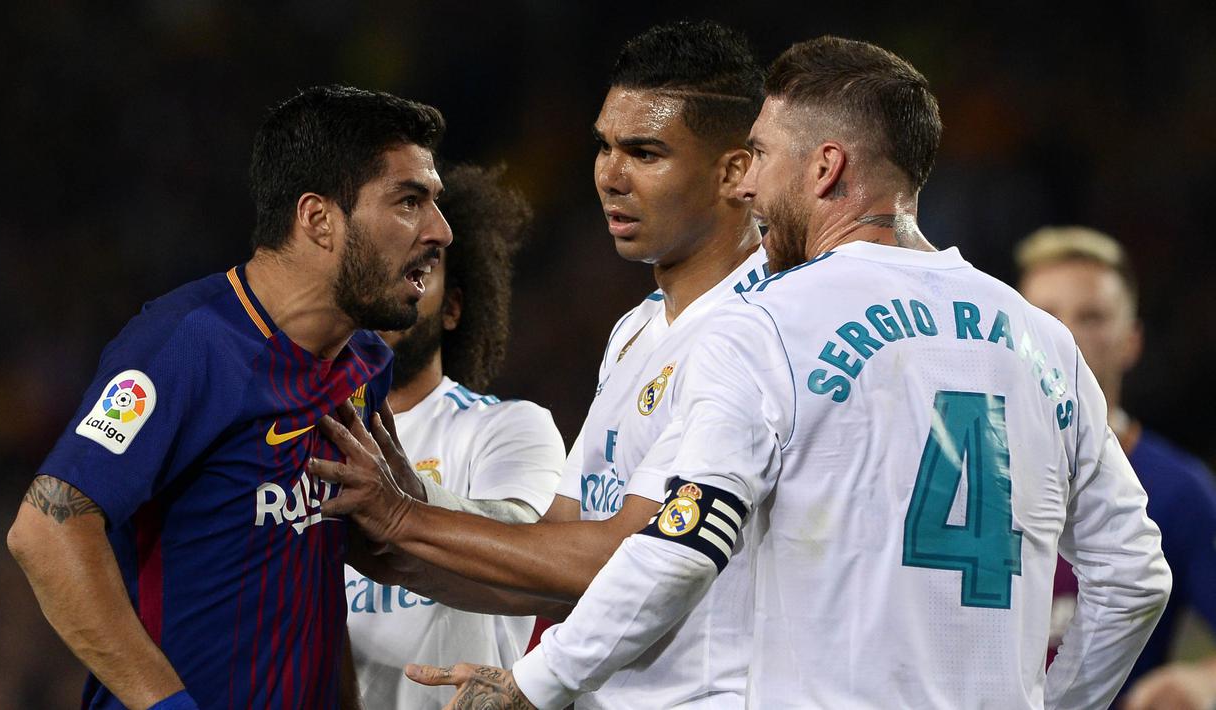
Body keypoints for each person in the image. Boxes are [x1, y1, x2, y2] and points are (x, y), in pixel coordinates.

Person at [393, 36, 1173, 709]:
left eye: (762, 156)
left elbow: (685, 540)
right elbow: (1134, 576)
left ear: (825, 167)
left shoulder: (767, 323)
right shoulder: (1039, 338)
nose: (747, 184)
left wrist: (536, 683)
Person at [313, 20, 767, 709]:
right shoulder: (638, 331)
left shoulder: (758, 330)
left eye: (644, 152)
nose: (610, 176)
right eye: (604, 146)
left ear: (735, 172)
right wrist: (375, 542)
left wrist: (406, 521)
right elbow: (553, 553)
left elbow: (618, 554)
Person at [6, 85, 451, 709]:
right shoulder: (184, 345)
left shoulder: (364, 365)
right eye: (409, 201)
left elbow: (319, 576)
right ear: (318, 219)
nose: (440, 231)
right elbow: (46, 532)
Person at [343, 164, 565, 709]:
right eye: (381, 264)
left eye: (421, 270)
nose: (398, 284)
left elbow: (533, 552)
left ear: (455, 308)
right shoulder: (302, 433)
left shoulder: (507, 428)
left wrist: (409, 505)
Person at [1016, 226, 1216, 710]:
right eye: (1043, 316)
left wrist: (1201, 684)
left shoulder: (1179, 490)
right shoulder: (966, 466)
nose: (1063, 334)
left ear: (1131, 342)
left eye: (1091, 316)